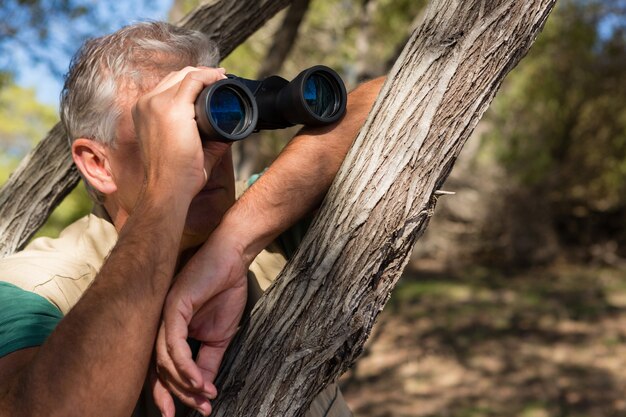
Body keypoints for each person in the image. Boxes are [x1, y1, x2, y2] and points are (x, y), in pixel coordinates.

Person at [0, 22, 383, 417]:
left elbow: (389, 97)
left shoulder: (270, 215)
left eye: (214, 118)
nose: (207, 157)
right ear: (98, 165)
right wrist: (167, 191)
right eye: (167, 134)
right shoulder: (31, 287)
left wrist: (234, 244)